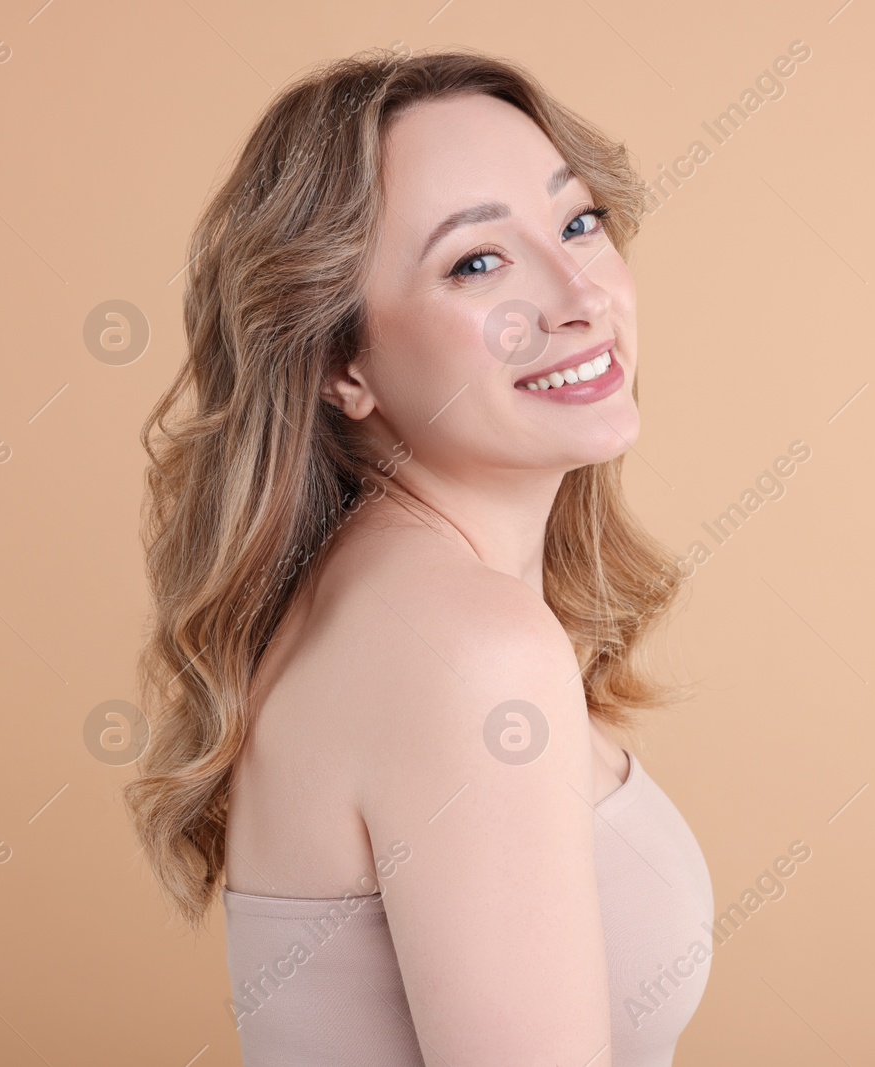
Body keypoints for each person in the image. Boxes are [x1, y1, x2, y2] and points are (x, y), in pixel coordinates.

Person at [123, 46, 713, 1066]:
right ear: (339, 363)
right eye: (477, 262)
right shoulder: (466, 647)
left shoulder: (385, 599)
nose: (578, 292)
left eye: (577, 222)